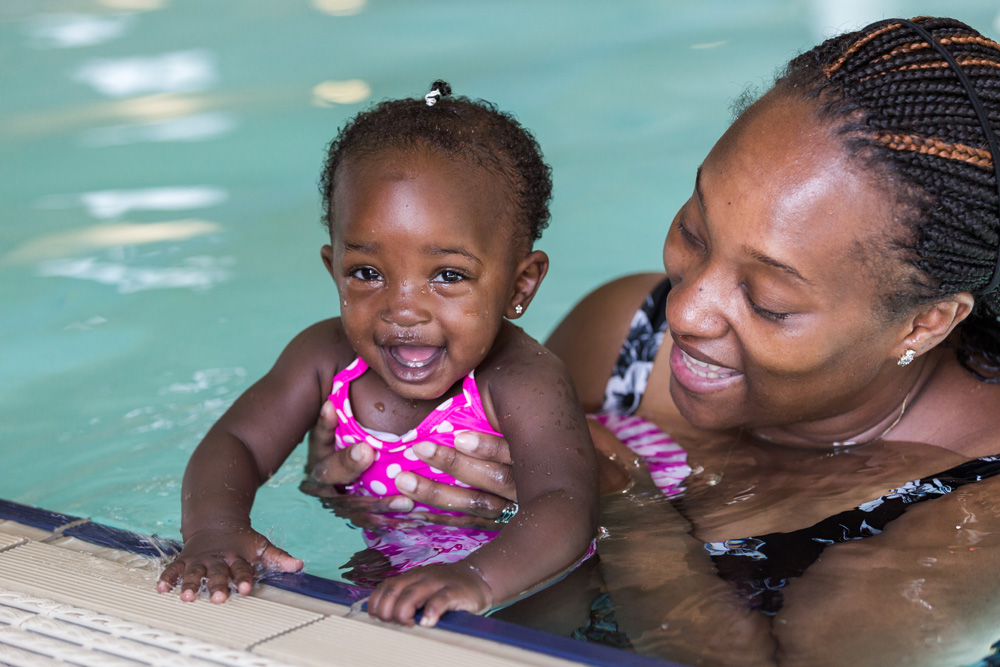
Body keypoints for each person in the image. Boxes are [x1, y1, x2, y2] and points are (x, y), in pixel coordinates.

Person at [306, 17, 1000, 665]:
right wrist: (373, 473)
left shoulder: (978, 512)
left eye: (768, 300)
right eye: (695, 231)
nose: (687, 309)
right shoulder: (624, 340)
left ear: (924, 323)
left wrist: (623, 506)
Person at [157, 81, 599, 629]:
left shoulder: (523, 379)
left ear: (520, 285)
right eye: (367, 273)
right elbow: (237, 442)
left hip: (518, 582)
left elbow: (563, 503)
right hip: (389, 561)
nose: (402, 309)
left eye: (448, 275)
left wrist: (477, 579)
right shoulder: (324, 356)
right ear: (332, 267)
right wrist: (215, 529)